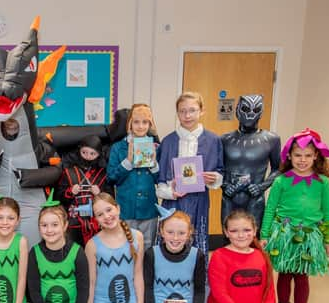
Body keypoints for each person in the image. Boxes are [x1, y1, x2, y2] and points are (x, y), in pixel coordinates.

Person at [261, 128, 329, 303]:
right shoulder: (281, 181)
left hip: (309, 236)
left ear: (316, 157)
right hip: (284, 235)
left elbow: (328, 213)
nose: (302, 160)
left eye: (307, 156)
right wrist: (265, 234)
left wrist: (327, 238)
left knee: (301, 276)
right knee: (284, 274)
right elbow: (270, 209)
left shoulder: (322, 183)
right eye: (297, 155)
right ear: (289, 156)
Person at [26, 191, 102, 303]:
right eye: (44, 225)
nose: (49, 230)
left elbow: (84, 291)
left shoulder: (78, 252)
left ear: (65, 225)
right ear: (39, 228)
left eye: (54, 224)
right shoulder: (34, 253)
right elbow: (34, 294)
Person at [157, 92, 223, 256]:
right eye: (182, 111)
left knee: (196, 244)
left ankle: (197, 279)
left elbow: (220, 171)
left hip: (199, 202)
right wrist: (170, 192)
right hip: (173, 203)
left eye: (192, 110)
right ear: (177, 113)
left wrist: (214, 178)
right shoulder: (168, 141)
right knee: (171, 242)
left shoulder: (213, 140)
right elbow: (159, 181)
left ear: (202, 111)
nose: (187, 115)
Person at [85, 193, 146, 303]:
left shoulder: (137, 237)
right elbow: (91, 283)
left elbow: (138, 274)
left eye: (109, 210)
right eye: (100, 214)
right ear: (96, 219)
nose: (106, 216)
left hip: (130, 300)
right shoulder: (92, 245)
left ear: (117, 208)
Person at [221, 95, 281, 229]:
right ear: (237, 110)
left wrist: (261, 186)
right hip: (229, 197)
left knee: (253, 238)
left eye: (255, 110)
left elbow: (278, 168)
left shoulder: (271, 139)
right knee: (228, 236)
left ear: (261, 112)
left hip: (254, 198)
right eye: (246, 109)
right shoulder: (224, 139)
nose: (250, 114)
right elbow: (218, 168)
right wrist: (225, 185)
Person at [107, 104, 160, 250]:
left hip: (149, 209)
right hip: (126, 208)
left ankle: (145, 274)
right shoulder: (118, 148)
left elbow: (161, 181)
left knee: (148, 247)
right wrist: (127, 163)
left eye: (145, 122)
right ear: (130, 123)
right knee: (126, 247)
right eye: (136, 122)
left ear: (150, 124)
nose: (141, 126)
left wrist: (154, 164)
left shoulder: (156, 147)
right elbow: (111, 178)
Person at [57, 134, 112, 246]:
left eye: (93, 154)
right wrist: (70, 191)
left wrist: (100, 193)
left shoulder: (103, 174)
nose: (88, 156)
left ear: (99, 154)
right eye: (84, 152)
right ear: (79, 151)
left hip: (97, 222)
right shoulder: (68, 172)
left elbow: (112, 199)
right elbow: (58, 197)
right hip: (74, 223)